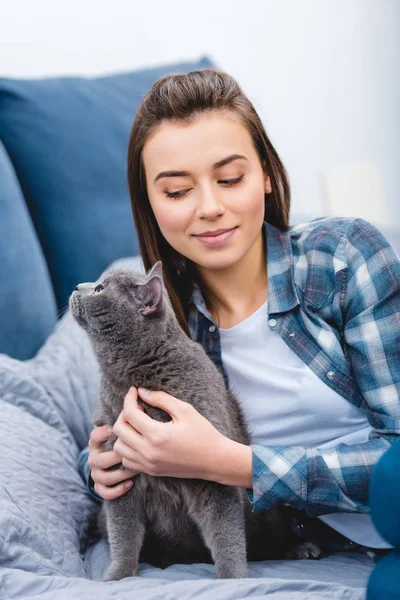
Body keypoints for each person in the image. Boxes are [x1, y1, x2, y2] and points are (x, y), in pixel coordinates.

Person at [78, 68, 400, 554]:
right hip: (306, 542)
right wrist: (99, 465)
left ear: (266, 174)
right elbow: (107, 425)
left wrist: (231, 463)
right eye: (177, 191)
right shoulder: (155, 312)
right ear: (150, 203)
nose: (209, 207)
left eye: (230, 178)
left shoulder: (342, 257)